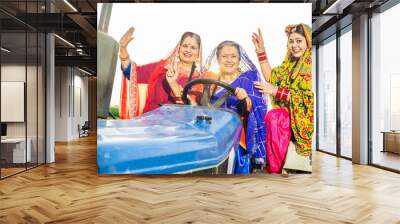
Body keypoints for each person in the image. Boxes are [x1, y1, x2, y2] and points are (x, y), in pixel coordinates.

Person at [253, 24, 314, 175]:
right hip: (285, 119)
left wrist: (275, 91)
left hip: (300, 121)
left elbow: (307, 98)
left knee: (276, 117)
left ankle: (276, 171)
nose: (294, 45)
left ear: (308, 42)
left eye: (299, 41)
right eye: (291, 41)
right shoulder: (288, 65)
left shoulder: (311, 64)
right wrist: (261, 51)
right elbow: (272, 77)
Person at [199, 40, 267, 174]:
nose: (229, 60)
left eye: (233, 56)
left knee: (233, 148)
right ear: (218, 59)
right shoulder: (210, 81)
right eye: (224, 56)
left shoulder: (248, 78)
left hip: (238, 131)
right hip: (211, 130)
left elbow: (256, 108)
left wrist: (245, 99)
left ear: (239, 59)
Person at [119, 27, 202, 118]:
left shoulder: (200, 80)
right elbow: (131, 72)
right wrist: (123, 49)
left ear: (198, 53)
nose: (188, 50)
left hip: (177, 127)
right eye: (185, 46)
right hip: (150, 122)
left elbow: (194, 109)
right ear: (179, 48)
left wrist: (172, 83)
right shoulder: (162, 68)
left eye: (193, 48)